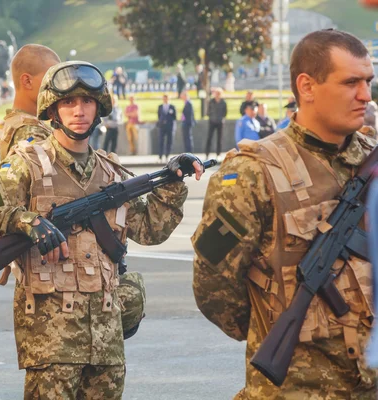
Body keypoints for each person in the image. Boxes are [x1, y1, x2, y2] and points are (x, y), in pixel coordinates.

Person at [0, 60, 204, 399]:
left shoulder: (111, 173)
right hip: (51, 341)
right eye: (69, 103)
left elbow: (151, 229)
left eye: (87, 102)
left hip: (106, 338)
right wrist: (29, 222)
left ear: (99, 107)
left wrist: (172, 182)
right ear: (53, 109)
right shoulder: (26, 163)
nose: (79, 110)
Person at [192, 29, 377, 398]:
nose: (365, 95)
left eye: (368, 82)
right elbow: (213, 286)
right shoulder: (250, 173)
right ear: (306, 87)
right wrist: (274, 322)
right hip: (293, 388)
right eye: (350, 82)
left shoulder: (372, 162)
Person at [0, 44, 60, 160]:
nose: (58, 87)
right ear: (27, 81)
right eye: (52, 79)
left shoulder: (16, 123)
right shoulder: (32, 134)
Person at [206, 88, 227, 158]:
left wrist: (221, 118)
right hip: (212, 121)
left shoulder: (223, 102)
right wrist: (211, 117)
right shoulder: (211, 101)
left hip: (220, 122)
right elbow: (208, 111)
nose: (217, 95)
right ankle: (207, 153)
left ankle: (218, 154)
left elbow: (225, 112)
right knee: (209, 138)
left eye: (218, 94)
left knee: (219, 139)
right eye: (216, 93)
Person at [157, 94, 176, 162]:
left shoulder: (172, 107)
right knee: (161, 141)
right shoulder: (160, 107)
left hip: (169, 126)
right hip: (162, 127)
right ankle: (160, 156)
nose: (165, 100)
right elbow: (159, 116)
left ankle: (167, 155)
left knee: (169, 141)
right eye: (164, 98)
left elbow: (174, 117)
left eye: (166, 98)